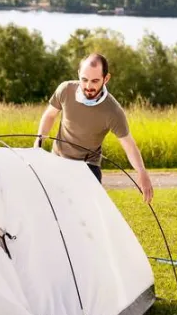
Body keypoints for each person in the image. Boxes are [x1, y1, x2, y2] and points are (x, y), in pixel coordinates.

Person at [35, 53, 154, 203]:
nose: (89, 86)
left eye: (95, 81)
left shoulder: (113, 111)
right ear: (79, 74)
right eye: (84, 80)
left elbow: (129, 145)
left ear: (106, 78)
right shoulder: (65, 90)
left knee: (88, 215)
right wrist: (38, 142)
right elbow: (49, 115)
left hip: (88, 166)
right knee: (50, 206)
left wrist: (142, 172)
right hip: (58, 159)